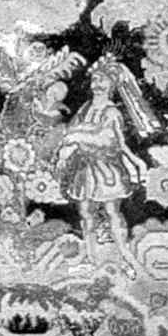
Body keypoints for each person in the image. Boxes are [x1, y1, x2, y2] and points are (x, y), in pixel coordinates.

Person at [56, 55, 149, 275]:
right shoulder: (86, 108)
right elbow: (70, 131)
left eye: (102, 80)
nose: (97, 84)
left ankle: (125, 259)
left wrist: (77, 137)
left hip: (106, 170)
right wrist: (66, 149)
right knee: (86, 213)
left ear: (112, 84)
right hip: (84, 169)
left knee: (111, 212)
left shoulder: (112, 112)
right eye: (94, 80)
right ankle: (90, 259)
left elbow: (108, 141)